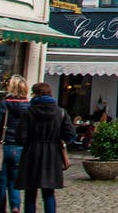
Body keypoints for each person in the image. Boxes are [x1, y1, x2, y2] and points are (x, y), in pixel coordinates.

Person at [16, 82, 75, 213]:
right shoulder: (60, 112)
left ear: (36, 94)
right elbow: (70, 135)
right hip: (52, 155)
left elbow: (20, 138)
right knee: (48, 193)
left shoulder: (29, 112)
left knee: (30, 194)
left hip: (32, 154)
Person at [0, 75, 30, 213]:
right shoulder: (29, 106)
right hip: (19, 148)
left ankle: (0, 210)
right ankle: (16, 207)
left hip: (4, 146)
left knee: (1, 183)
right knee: (14, 182)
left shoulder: (5, 104)